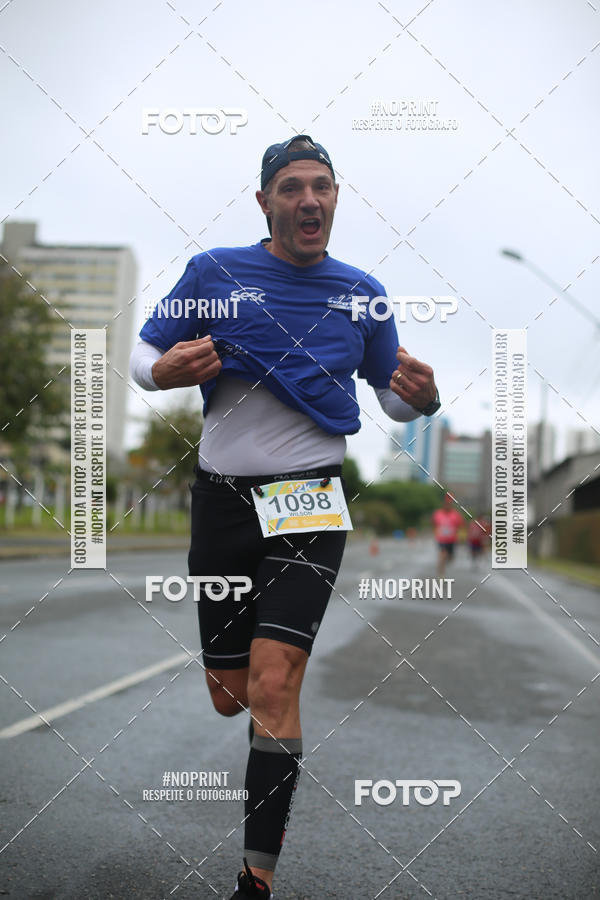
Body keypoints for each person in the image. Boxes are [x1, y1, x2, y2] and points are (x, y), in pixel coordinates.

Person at [129, 135, 440, 898]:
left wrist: (423, 398)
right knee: (229, 693)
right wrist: (161, 373)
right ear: (265, 200)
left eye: (323, 187)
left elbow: (392, 396)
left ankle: (255, 879)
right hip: (223, 501)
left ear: (336, 198)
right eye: (293, 187)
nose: (310, 200)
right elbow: (143, 355)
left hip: (308, 496)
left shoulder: (362, 293)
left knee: (276, 681)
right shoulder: (216, 273)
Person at [432, 492, 464, 577]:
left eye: (449, 505)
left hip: (452, 539)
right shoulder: (438, 514)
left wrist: (461, 537)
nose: (447, 506)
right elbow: (434, 524)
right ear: (443, 505)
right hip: (441, 539)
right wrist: (436, 532)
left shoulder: (455, 515)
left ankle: (445, 561)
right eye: (446, 505)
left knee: (450, 558)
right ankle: (441, 573)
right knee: (442, 555)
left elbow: (460, 526)